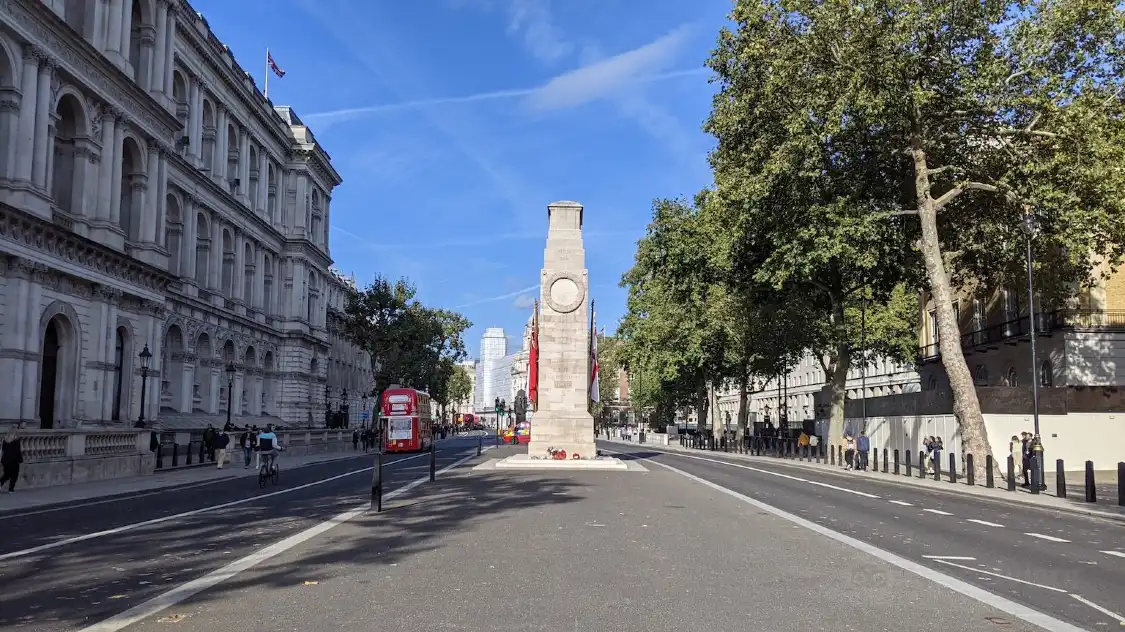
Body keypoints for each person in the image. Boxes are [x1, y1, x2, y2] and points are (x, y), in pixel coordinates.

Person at [1, 424, 24, 493]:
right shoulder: (16, 439)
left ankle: (0, 483)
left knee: (6, 474)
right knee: (14, 475)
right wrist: (20, 459)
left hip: (5, 459)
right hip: (14, 460)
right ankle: (11, 489)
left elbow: (3, 449)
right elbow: (18, 451)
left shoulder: (5, 439)